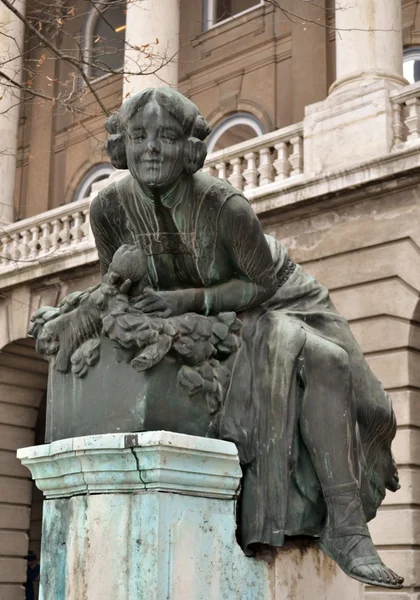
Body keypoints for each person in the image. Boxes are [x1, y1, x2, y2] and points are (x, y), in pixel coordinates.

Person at [90, 88, 403, 588]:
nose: (151, 148)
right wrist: (118, 282)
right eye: (138, 136)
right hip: (201, 310)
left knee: (341, 373)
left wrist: (188, 300)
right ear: (121, 146)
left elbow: (258, 284)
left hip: (272, 296)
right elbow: (117, 289)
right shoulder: (107, 208)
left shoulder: (225, 206)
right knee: (324, 363)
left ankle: (347, 526)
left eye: (167, 137)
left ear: (190, 149)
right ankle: (345, 529)